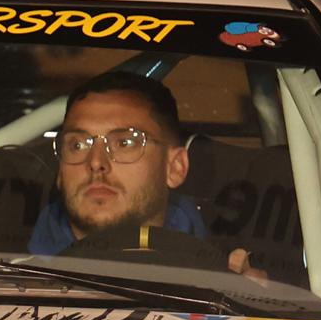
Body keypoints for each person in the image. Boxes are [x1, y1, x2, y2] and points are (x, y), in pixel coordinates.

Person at [29, 72, 263, 275]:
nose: (96, 162)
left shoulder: (221, 285)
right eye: (77, 145)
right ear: (60, 170)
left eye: (125, 142)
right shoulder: (5, 280)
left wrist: (253, 304)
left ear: (175, 167)